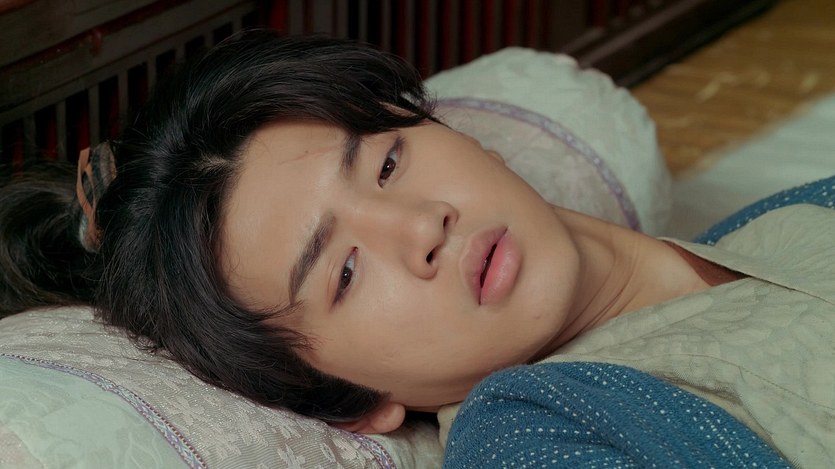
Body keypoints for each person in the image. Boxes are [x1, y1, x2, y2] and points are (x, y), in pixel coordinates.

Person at [0, 29, 831, 466]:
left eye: (388, 163)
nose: (421, 226)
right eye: (343, 271)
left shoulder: (792, 217)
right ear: (351, 402)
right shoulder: (535, 438)